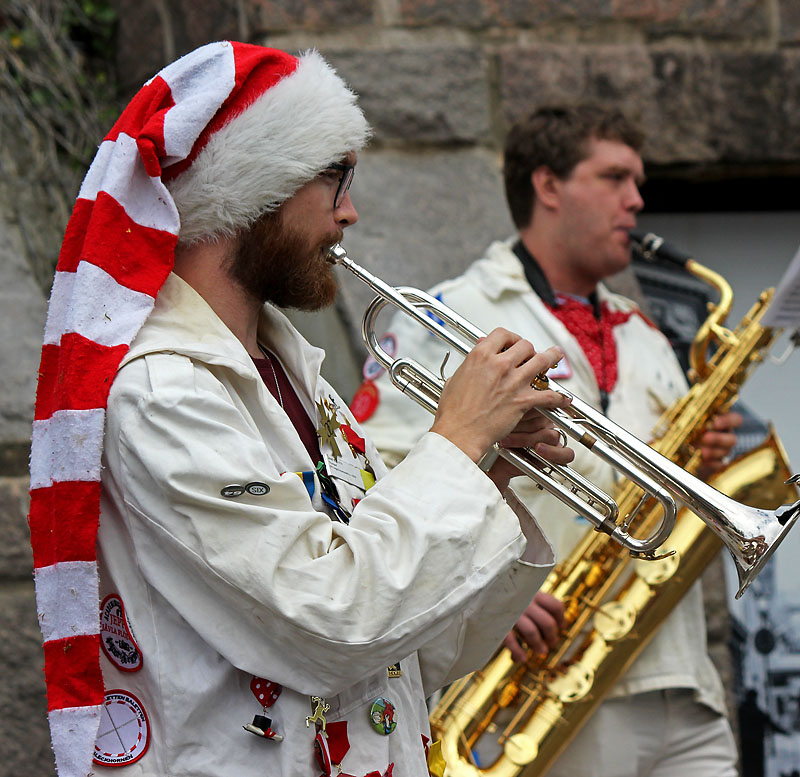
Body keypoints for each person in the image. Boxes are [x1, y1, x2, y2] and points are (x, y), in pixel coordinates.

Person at [27, 43, 578, 777]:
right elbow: (332, 623)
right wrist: (457, 438)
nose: (350, 211)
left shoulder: (300, 380)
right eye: (334, 175)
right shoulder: (162, 392)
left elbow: (414, 649)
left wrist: (489, 473)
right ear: (253, 185)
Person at [359, 104, 743, 776]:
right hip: (541, 688)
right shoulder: (450, 312)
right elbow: (372, 471)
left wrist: (701, 465)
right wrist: (481, 597)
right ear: (548, 186)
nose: (637, 200)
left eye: (637, 180)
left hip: (682, 680)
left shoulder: (647, 335)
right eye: (616, 177)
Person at [739, 688, 790, 777]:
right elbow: (771, 724)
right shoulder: (757, 712)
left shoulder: (741, 711)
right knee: (757, 768)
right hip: (756, 744)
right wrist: (784, 732)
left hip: (745, 744)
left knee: (747, 767)